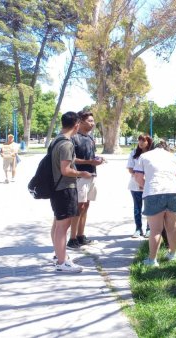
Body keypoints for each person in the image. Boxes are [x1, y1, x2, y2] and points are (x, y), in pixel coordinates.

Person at [50, 111, 93, 272]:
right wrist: (82, 173)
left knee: (57, 224)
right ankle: (62, 263)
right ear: (76, 125)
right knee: (63, 226)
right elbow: (66, 170)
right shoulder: (67, 143)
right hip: (65, 188)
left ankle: (59, 256)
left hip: (55, 187)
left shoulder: (56, 140)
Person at [134, 140, 176, 267]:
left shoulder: (144, 156)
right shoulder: (174, 157)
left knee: (155, 229)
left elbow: (138, 178)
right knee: (172, 227)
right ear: (167, 148)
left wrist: (146, 186)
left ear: (152, 147)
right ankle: (172, 254)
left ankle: (152, 260)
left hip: (154, 192)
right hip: (174, 192)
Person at [67, 111, 105, 250]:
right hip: (79, 177)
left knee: (86, 206)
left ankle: (81, 236)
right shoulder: (73, 138)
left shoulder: (89, 138)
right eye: (89, 121)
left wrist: (97, 160)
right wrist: (89, 161)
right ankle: (72, 239)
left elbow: (91, 156)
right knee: (78, 207)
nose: (92, 123)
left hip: (91, 176)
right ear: (81, 122)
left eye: (93, 121)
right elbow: (71, 158)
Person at [127, 134, 153, 238]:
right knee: (137, 208)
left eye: (144, 140)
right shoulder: (134, 153)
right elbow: (130, 169)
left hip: (149, 185)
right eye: (139, 140)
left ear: (149, 142)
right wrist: (140, 179)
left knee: (149, 208)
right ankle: (138, 229)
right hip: (135, 185)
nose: (141, 143)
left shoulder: (152, 154)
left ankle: (149, 229)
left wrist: (146, 180)